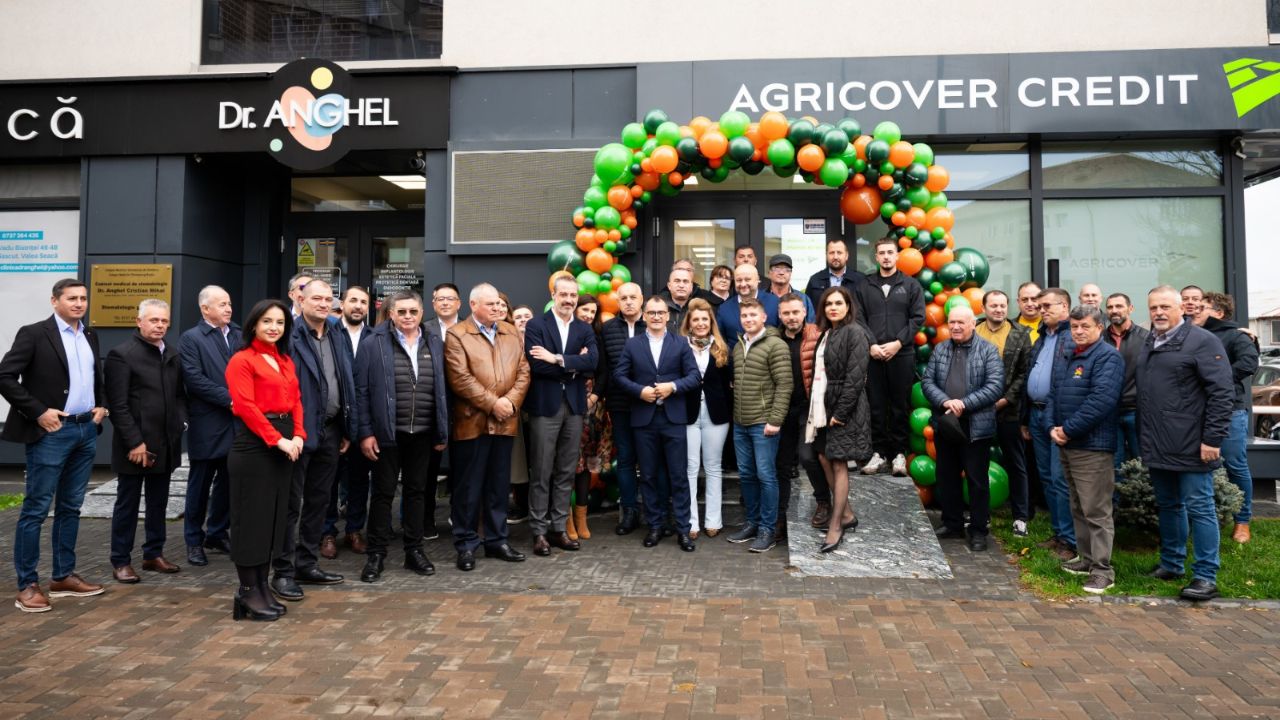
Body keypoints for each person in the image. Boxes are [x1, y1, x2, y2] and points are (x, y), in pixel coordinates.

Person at [0, 278, 107, 613]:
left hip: (85, 430)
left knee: (71, 507)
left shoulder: (90, 334)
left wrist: (101, 405)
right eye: (71, 298)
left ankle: (62, 577)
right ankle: (27, 584)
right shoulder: (34, 333)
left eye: (83, 298)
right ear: (54, 301)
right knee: (36, 508)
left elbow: (94, 376)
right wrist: (38, 411)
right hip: (52, 431)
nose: (79, 303)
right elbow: (4, 376)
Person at [1136, 285, 1233, 602]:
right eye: (1154, 307)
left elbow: (1222, 393)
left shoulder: (1202, 341)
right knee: (1169, 505)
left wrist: (1212, 439)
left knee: (1200, 508)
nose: (1159, 312)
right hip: (1159, 441)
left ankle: (1205, 576)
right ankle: (1172, 563)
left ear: (1182, 308)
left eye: (1165, 306)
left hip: (1193, 443)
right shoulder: (1151, 341)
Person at [268, 279, 355, 600]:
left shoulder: (337, 333)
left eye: (328, 299)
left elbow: (347, 381)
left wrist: (348, 429)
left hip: (331, 431)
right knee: (290, 505)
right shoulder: (288, 335)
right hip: (296, 433)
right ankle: (282, 571)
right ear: (300, 300)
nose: (323, 303)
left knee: (319, 502)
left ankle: (307, 563)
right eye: (316, 298)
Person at [354, 290, 448, 583]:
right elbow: (361, 392)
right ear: (391, 314)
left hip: (422, 432)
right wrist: (366, 432)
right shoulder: (373, 343)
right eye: (402, 312)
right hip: (387, 433)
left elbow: (442, 388)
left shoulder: (434, 341)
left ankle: (414, 551)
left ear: (421, 313)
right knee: (383, 494)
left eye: (413, 311)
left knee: (417, 492)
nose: (408, 317)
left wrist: (441, 429)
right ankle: (376, 554)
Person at [225, 299, 305, 622]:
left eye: (280, 323)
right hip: (255, 447)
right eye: (267, 321)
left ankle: (261, 586)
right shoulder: (242, 360)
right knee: (251, 523)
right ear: (254, 325)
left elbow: (296, 401)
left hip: (284, 445)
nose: (274, 328)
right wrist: (278, 439)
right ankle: (247, 591)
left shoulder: (284, 360)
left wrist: (298, 435)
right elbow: (246, 407)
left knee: (272, 522)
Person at [446, 283, 531, 571]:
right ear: (473, 305)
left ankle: (497, 540)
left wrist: (510, 402)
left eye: (499, 304)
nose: (498, 308)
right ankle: (466, 544)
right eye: (491, 304)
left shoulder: (510, 332)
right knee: (468, 488)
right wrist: (494, 403)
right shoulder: (457, 334)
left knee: (498, 485)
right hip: (472, 423)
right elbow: (460, 378)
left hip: (505, 422)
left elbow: (523, 371)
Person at [105, 299, 186, 583]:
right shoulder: (122, 355)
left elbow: (179, 396)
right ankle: (120, 561)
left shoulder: (171, 354)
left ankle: (153, 554)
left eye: (164, 321)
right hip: (135, 447)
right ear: (139, 322)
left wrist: (180, 424)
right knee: (127, 505)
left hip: (166, 443)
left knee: (158, 503)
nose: (160, 325)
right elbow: (118, 405)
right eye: (154, 320)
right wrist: (134, 442)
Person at [1046, 305, 1124, 594]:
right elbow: (1054, 394)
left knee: (1096, 509)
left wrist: (1067, 430)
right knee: (1078, 505)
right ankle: (1087, 558)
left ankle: (1103, 570)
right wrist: (1052, 426)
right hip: (1067, 443)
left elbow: (1101, 401)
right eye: (1074, 326)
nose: (1078, 331)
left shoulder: (1108, 357)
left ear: (1099, 328)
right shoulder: (1069, 354)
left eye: (1085, 326)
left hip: (1092, 447)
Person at [613, 296, 701, 551]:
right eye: (651, 313)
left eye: (660, 312)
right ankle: (654, 526)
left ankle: (683, 530)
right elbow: (619, 375)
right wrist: (639, 391)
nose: (656, 317)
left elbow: (694, 376)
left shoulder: (681, 343)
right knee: (649, 475)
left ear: (667, 316)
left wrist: (673, 386)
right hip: (644, 419)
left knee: (678, 476)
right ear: (644, 316)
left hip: (673, 419)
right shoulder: (633, 344)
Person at [524, 276, 598, 556]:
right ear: (553, 295)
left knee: (566, 470)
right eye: (564, 294)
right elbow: (536, 365)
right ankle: (539, 532)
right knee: (542, 470)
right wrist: (574, 363)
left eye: (573, 295)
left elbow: (593, 362)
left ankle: (558, 529)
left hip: (574, 407)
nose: (569, 300)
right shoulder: (536, 325)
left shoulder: (584, 327)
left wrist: (557, 358)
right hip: (546, 406)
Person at [921, 305, 1004, 551]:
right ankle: (952, 523)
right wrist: (946, 402)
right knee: (947, 477)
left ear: (973, 324)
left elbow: (995, 386)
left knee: (977, 481)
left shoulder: (988, 350)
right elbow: (927, 382)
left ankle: (978, 530)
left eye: (961, 322)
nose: (955, 327)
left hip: (975, 427)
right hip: (946, 423)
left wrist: (964, 404)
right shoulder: (940, 349)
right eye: (952, 322)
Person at [805, 287, 873, 553]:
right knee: (823, 456)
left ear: (848, 306)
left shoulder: (855, 332)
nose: (833, 308)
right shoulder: (826, 334)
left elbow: (855, 379)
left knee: (839, 461)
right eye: (828, 304)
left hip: (845, 406)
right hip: (824, 405)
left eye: (838, 303)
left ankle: (836, 525)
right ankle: (847, 514)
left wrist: (841, 413)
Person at [178, 285, 240, 567]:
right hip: (208, 422)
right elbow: (194, 378)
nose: (229, 308)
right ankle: (193, 540)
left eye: (229, 303)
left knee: (229, 481)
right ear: (205, 309)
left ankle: (217, 532)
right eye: (222, 304)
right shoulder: (192, 338)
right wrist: (230, 399)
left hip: (237, 422)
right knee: (200, 484)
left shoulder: (238, 334)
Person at [726, 298, 793, 553]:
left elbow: (784, 384)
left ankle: (768, 528)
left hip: (764, 423)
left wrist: (775, 420)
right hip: (741, 422)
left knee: (766, 476)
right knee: (747, 475)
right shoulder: (738, 345)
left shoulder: (775, 345)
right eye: (745, 316)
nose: (749, 319)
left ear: (764, 317)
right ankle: (752, 523)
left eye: (753, 315)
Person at [857, 237, 925, 477]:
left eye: (890, 252)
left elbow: (917, 318)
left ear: (897, 256)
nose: (886, 256)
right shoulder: (864, 285)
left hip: (902, 354)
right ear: (876, 257)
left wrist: (898, 343)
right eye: (882, 253)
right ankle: (879, 453)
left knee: (899, 406)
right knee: (876, 406)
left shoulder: (911, 285)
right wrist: (872, 345)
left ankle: (898, 454)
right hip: (873, 355)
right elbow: (858, 318)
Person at [1198, 292, 1259, 543]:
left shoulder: (1236, 336)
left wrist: (1218, 380)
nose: (1196, 310)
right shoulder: (1194, 335)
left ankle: (1242, 521)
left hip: (1230, 411)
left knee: (1235, 465)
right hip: (1199, 410)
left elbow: (1249, 363)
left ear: (1219, 313)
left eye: (1202, 307)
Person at [1023, 287, 1077, 560]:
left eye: (1047, 306)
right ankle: (1058, 533)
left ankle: (1069, 540)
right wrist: (1025, 417)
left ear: (1065, 307)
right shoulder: (1043, 337)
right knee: (1046, 476)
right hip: (1036, 413)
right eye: (1039, 305)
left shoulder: (1072, 337)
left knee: (1060, 478)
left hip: (1058, 417)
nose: (1040, 310)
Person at [974, 290, 1033, 536]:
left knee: (1016, 463)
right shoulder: (974, 330)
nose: (998, 309)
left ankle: (1020, 517)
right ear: (984, 308)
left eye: (1002, 305)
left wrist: (1006, 399)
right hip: (978, 410)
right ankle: (980, 515)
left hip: (1009, 410)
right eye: (994, 305)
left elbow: (1025, 372)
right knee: (977, 463)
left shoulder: (1021, 334)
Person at [324, 285, 374, 557]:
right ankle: (327, 533)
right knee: (328, 480)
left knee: (359, 479)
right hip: (333, 421)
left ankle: (354, 530)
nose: (358, 306)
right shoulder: (329, 334)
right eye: (353, 300)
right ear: (342, 304)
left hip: (363, 420)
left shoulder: (374, 336)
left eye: (363, 302)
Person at [679, 298, 731, 539]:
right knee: (690, 467)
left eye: (705, 319)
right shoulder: (679, 347)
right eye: (696, 319)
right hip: (687, 413)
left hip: (716, 414)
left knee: (713, 467)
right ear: (689, 323)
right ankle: (691, 522)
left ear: (711, 322)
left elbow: (728, 385)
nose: (700, 323)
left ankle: (713, 520)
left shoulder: (721, 347)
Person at [777, 293, 829, 528]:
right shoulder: (773, 337)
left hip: (808, 408)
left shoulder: (817, 335)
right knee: (781, 463)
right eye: (786, 313)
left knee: (808, 457)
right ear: (780, 315)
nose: (791, 317)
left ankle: (823, 502)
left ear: (804, 312)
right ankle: (779, 515)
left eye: (795, 312)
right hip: (781, 408)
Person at [597, 282, 646, 534]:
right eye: (623, 298)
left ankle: (655, 513)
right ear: (617, 302)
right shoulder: (607, 330)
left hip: (649, 405)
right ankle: (629, 512)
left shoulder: (652, 325)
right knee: (625, 459)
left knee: (650, 460)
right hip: (619, 405)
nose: (628, 302)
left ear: (641, 299)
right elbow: (604, 369)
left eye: (632, 297)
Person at [570, 293, 611, 540]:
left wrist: (594, 397)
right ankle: (566, 519)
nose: (588, 315)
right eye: (584, 310)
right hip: (567, 401)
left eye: (592, 312)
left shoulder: (597, 337)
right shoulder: (565, 334)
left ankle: (581, 518)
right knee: (567, 461)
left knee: (585, 463)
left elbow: (604, 372)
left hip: (592, 408)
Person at [1104, 292, 1149, 470]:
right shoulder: (1099, 338)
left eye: (1119, 306)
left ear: (1130, 309)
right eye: (1110, 307)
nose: (1114, 310)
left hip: (1136, 411)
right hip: (1108, 412)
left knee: (1142, 464)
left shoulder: (1146, 338)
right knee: (1114, 466)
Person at [507, 305, 535, 522]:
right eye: (518, 317)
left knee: (538, 457)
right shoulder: (508, 344)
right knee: (518, 460)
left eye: (527, 316)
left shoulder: (542, 341)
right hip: (515, 408)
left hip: (538, 407)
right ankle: (521, 504)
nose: (523, 320)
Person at [717, 264, 780, 350]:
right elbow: (721, 341)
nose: (743, 284)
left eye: (747, 279)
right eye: (739, 280)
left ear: (757, 279)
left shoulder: (774, 303)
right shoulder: (724, 309)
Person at [804, 238, 866, 314]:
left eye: (839, 253)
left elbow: (866, 309)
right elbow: (807, 309)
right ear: (826, 255)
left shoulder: (860, 280)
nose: (835, 257)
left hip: (852, 321)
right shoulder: (815, 280)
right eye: (831, 253)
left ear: (846, 256)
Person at [765, 254, 815, 323]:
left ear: (791, 273)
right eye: (777, 268)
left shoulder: (803, 299)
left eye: (786, 269)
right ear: (769, 273)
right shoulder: (761, 298)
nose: (781, 273)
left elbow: (810, 325)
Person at [661, 265, 697, 335]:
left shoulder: (697, 309)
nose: (681, 285)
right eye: (677, 281)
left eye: (685, 281)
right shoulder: (659, 309)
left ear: (691, 287)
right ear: (669, 286)